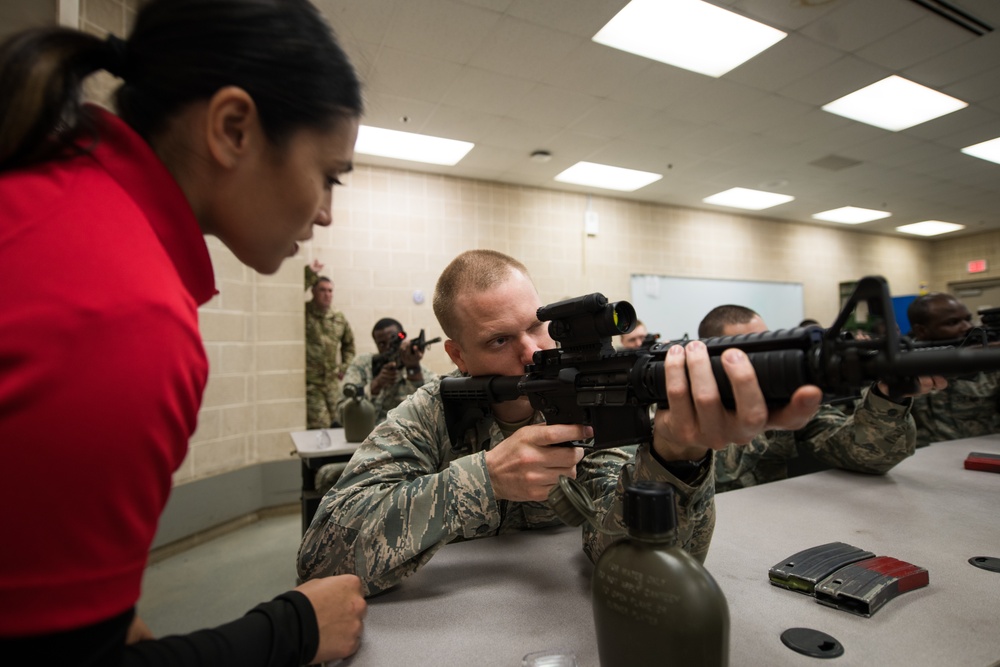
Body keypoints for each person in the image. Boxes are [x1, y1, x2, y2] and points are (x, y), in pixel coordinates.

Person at [0, 1, 367, 664]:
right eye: (328, 175)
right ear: (233, 128)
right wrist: (293, 629)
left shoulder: (59, 200)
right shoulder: (128, 314)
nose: (326, 213)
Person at [297, 250, 824, 596]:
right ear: (458, 355)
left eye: (536, 327)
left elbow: (633, 563)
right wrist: (480, 480)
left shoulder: (589, 397)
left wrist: (672, 458)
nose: (531, 352)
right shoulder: (433, 410)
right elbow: (320, 559)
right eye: (500, 341)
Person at [698, 304, 936, 491]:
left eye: (765, 344)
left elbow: (866, 456)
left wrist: (888, 396)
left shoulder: (789, 397)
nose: (762, 358)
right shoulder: (686, 406)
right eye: (744, 352)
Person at [907, 292, 1000, 447]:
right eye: (952, 322)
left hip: (981, 451)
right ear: (921, 331)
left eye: (968, 319)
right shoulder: (903, 363)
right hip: (919, 459)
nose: (967, 327)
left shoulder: (987, 359)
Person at [337, 318, 438, 425]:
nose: (388, 347)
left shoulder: (418, 368)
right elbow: (342, 415)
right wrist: (375, 385)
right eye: (382, 344)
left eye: (393, 341)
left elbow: (432, 412)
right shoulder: (363, 365)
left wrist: (413, 370)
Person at [306, 260, 356, 428]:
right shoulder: (304, 313)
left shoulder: (338, 317)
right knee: (319, 425)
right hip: (311, 384)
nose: (327, 294)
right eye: (322, 290)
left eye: (330, 291)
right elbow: (289, 294)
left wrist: (343, 368)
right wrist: (309, 273)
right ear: (313, 291)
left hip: (332, 383)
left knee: (339, 423)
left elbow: (349, 345)